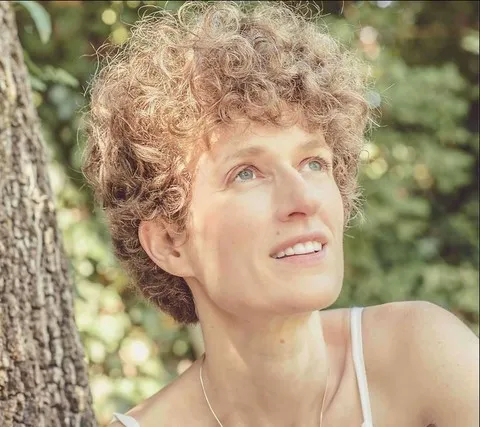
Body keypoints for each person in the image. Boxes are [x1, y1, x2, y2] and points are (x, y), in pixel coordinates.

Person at [83, 2, 479, 426]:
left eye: (314, 163)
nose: (303, 198)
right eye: (246, 173)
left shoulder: (423, 355)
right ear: (169, 243)